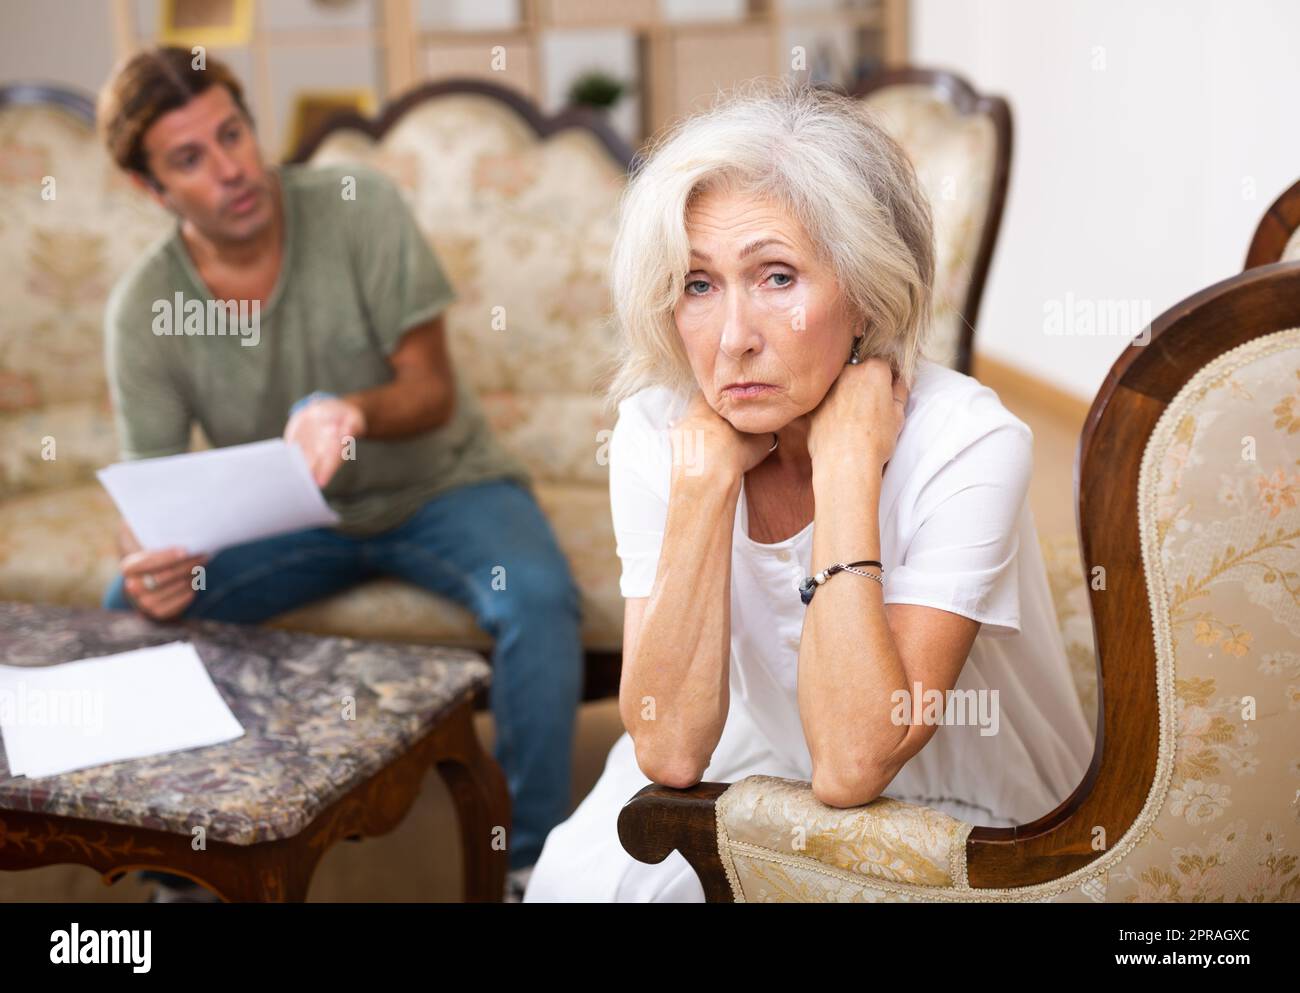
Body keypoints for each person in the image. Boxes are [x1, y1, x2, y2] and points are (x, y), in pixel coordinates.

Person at [524, 81, 1094, 902]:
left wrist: (848, 468)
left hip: (965, 802)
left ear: (863, 291)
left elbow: (854, 761)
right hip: (751, 751)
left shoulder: (970, 441)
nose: (732, 339)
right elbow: (672, 751)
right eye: (697, 284)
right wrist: (703, 488)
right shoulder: (658, 431)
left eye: (778, 277)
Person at [96, 47, 582, 902]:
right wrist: (153, 561)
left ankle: (530, 865)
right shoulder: (142, 311)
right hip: (285, 523)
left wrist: (351, 412)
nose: (232, 168)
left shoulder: (362, 208)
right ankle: (178, 865)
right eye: (190, 159)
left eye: (233, 134)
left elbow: (430, 390)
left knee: (537, 596)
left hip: (443, 487)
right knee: (127, 610)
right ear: (151, 190)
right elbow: (156, 492)